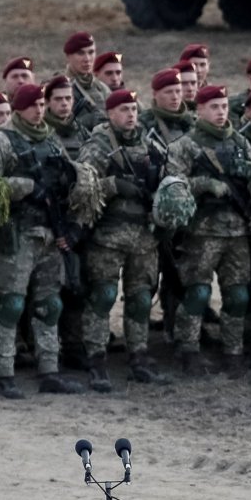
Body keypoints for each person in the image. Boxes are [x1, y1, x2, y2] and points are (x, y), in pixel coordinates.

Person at [0, 82, 83, 398]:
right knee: (11, 304)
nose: (39, 110)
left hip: (50, 234)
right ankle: (3, 370)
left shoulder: (50, 140)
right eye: (33, 105)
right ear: (20, 108)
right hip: (16, 236)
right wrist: (20, 187)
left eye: (41, 104)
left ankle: (49, 368)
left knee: (49, 305)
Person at [79, 89, 171, 390]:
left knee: (141, 299)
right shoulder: (99, 145)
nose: (130, 114)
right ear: (110, 114)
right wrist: (113, 185)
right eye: (123, 110)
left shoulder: (151, 144)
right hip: (108, 236)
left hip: (143, 237)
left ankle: (139, 356)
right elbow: (81, 187)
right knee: (103, 296)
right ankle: (95, 358)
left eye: (133, 108)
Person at [166, 84, 251, 375]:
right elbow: (173, 185)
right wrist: (204, 185)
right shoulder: (185, 145)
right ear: (200, 110)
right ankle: (188, 349)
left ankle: (233, 350)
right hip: (202, 231)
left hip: (237, 231)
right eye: (214, 107)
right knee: (197, 293)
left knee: (237, 295)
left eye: (223, 106)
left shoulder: (241, 143)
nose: (221, 112)